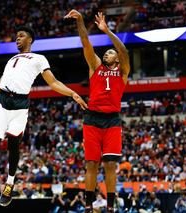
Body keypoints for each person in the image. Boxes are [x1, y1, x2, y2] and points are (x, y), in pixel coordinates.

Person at [0, 25, 87, 208]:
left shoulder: (39, 58)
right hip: (1, 101)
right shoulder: (11, 59)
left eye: (20, 36)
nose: (17, 39)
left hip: (20, 105)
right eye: (16, 36)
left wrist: (72, 93)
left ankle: (9, 185)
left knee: (14, 145)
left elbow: (52, 82)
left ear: (30, 40)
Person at [64, 10, 130, 213]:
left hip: (112, 121)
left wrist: (107, 30)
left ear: (117, 59)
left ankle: (110, 207)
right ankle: (88, 206)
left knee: (110, 166)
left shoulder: (123, 70)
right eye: (106, 52)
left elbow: (124, 51)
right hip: (92, 119)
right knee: (91, 165)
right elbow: (85, 42)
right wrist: (80, 21)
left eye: (110, 52)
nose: (105, 54)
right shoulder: (95, 66)